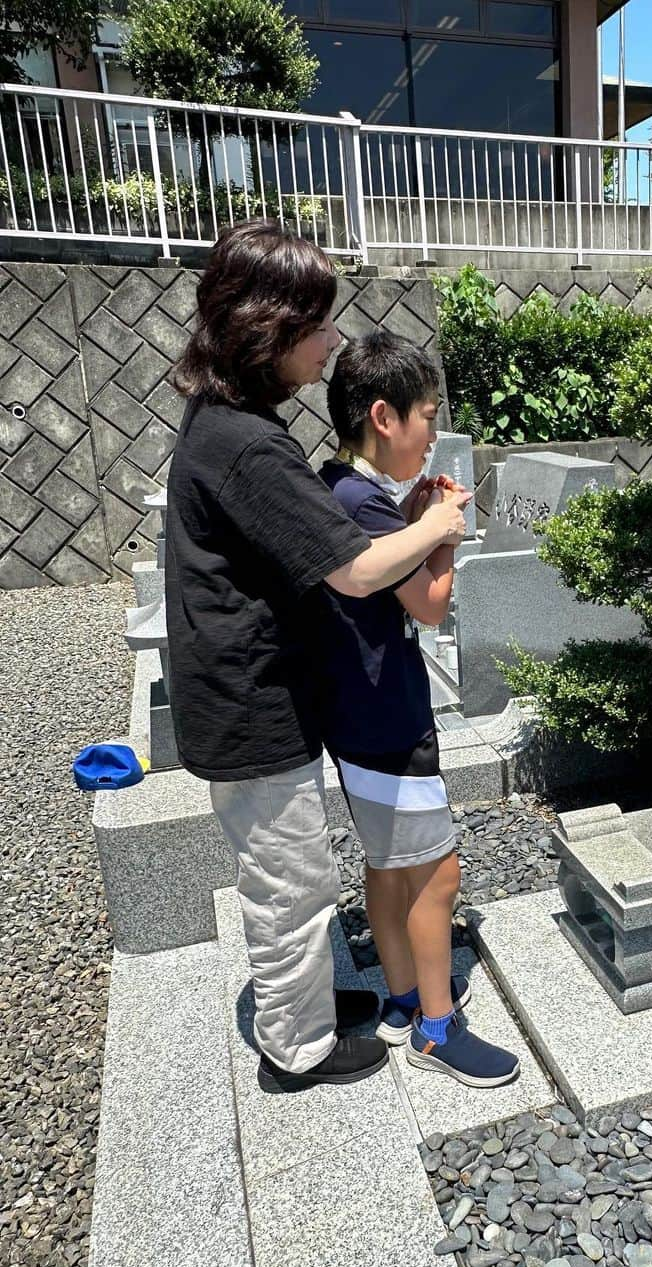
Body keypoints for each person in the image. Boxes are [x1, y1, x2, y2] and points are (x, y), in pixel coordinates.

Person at [165, 221, 472, 1093]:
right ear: (270, 328)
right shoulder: (246, 444)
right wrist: (441, 525)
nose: (331, 340)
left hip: (259, 690)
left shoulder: (230, 422)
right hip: (249, 699)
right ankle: (294, 1050)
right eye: (319, 323)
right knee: (290, 883)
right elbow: (360, 570)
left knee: (304, 872)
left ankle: (299, 1006)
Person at [318, 331, 519, 1089]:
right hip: (389, 719)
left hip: (356, 717)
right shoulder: (363, 502)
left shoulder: (341, 486)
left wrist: (415, 519)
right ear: (385, 416)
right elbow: (430, 608)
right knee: (436, 875)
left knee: (388, 865)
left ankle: (403, 997)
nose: (433, 433)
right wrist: (444, 534)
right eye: (427, 417)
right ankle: (437, 1029)